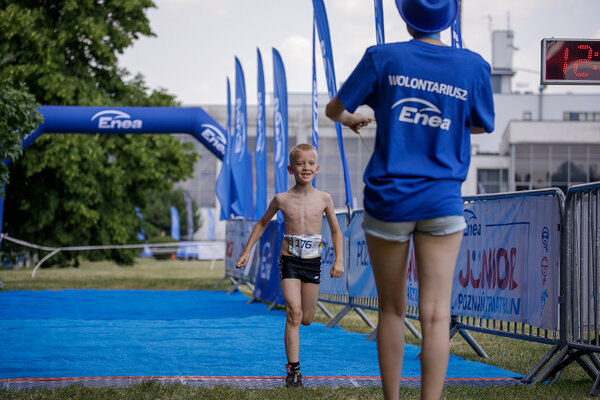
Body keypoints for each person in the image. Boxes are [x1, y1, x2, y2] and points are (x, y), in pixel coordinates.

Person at [325, 0, 494, 398]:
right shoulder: (473, 66)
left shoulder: (383, 57)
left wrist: (354, 119)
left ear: (405, 15)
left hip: (389, 199)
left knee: (391, 310)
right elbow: (480, 124)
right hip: (441, 199)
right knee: (436, 315)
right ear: (449, 18)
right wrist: (440, 121)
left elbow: (335, 108)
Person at [236, 143, 344, 388]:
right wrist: (246, 251)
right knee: (293, 312)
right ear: (290, 168)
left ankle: (295, 360)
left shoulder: (324, 198)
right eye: (300, 163)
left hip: (312, 263)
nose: (305, 167)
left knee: (306, 318)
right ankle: (293, 371)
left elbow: (336, 231)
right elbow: (263, 223)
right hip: (290, 261)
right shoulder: (282, 199)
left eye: (309, 163)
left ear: (317, 168)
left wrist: (339, 259)